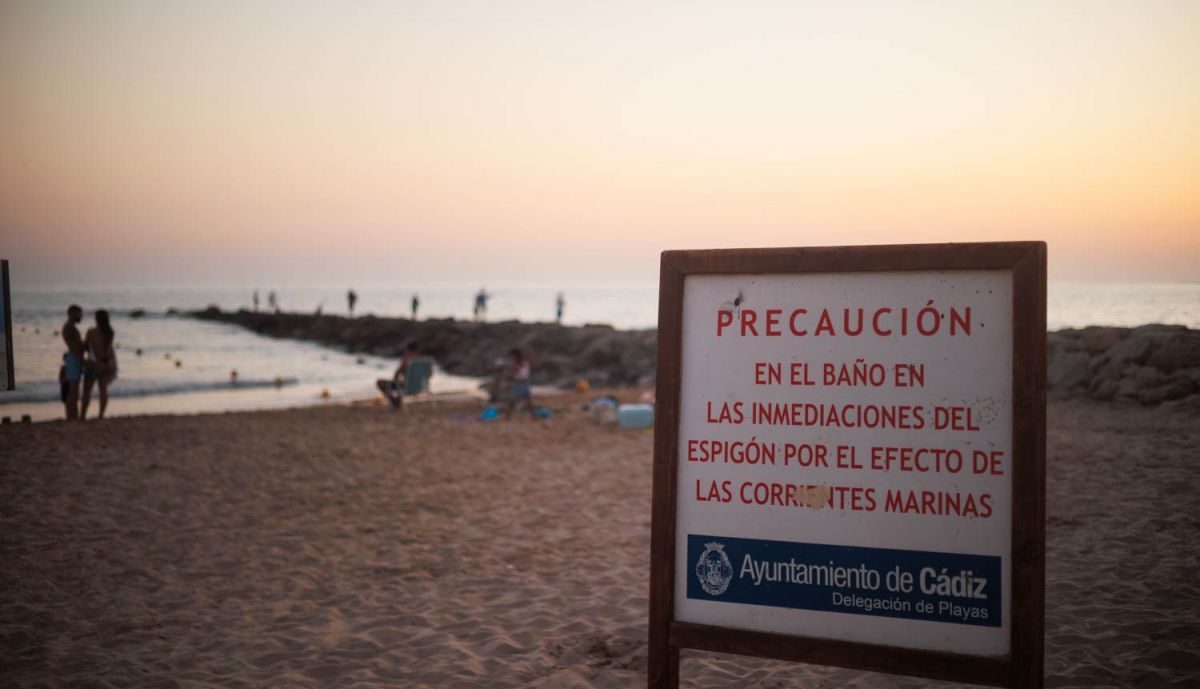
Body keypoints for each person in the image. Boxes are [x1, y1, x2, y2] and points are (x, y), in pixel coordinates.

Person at [81, 309, 118, 419]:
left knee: (87, 391)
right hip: (105, 363)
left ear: (96, 319)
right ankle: (101, 415)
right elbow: (107, 350)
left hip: (92, 363)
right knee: (103, 390)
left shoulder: (91, 331)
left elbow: (86, 347)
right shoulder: (110, 332)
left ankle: (83, 415)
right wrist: (106, 362)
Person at [376, 342, 420, 409]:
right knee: (398, 383)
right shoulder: (423, 362)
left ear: (407, 350)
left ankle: (396, 402)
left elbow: (397, 374)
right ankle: (397, 402)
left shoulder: (406, 360)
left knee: (380, 382)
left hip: (407, 386)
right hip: (420, 386)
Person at [61, 305, 84, 419]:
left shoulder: (70, 327)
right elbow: (75, 347)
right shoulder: (70, 328)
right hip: (74, 358)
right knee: (73, 390)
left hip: (74, 358)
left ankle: (73, 415)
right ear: (72, 313)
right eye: (79, 313)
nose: (81, 316)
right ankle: (72, 416)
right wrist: (85, 346)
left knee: (74, 389)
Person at [504, 348, 535, 420]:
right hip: (521, 383)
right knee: (523, 401)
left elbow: (513, 373)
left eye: (512, 356)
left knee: (515, 401)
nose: (511, 358)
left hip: (521, 383)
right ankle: (507, 417)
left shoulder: (520, 363)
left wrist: (507, 378)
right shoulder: (522, 362)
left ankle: (507, 417)